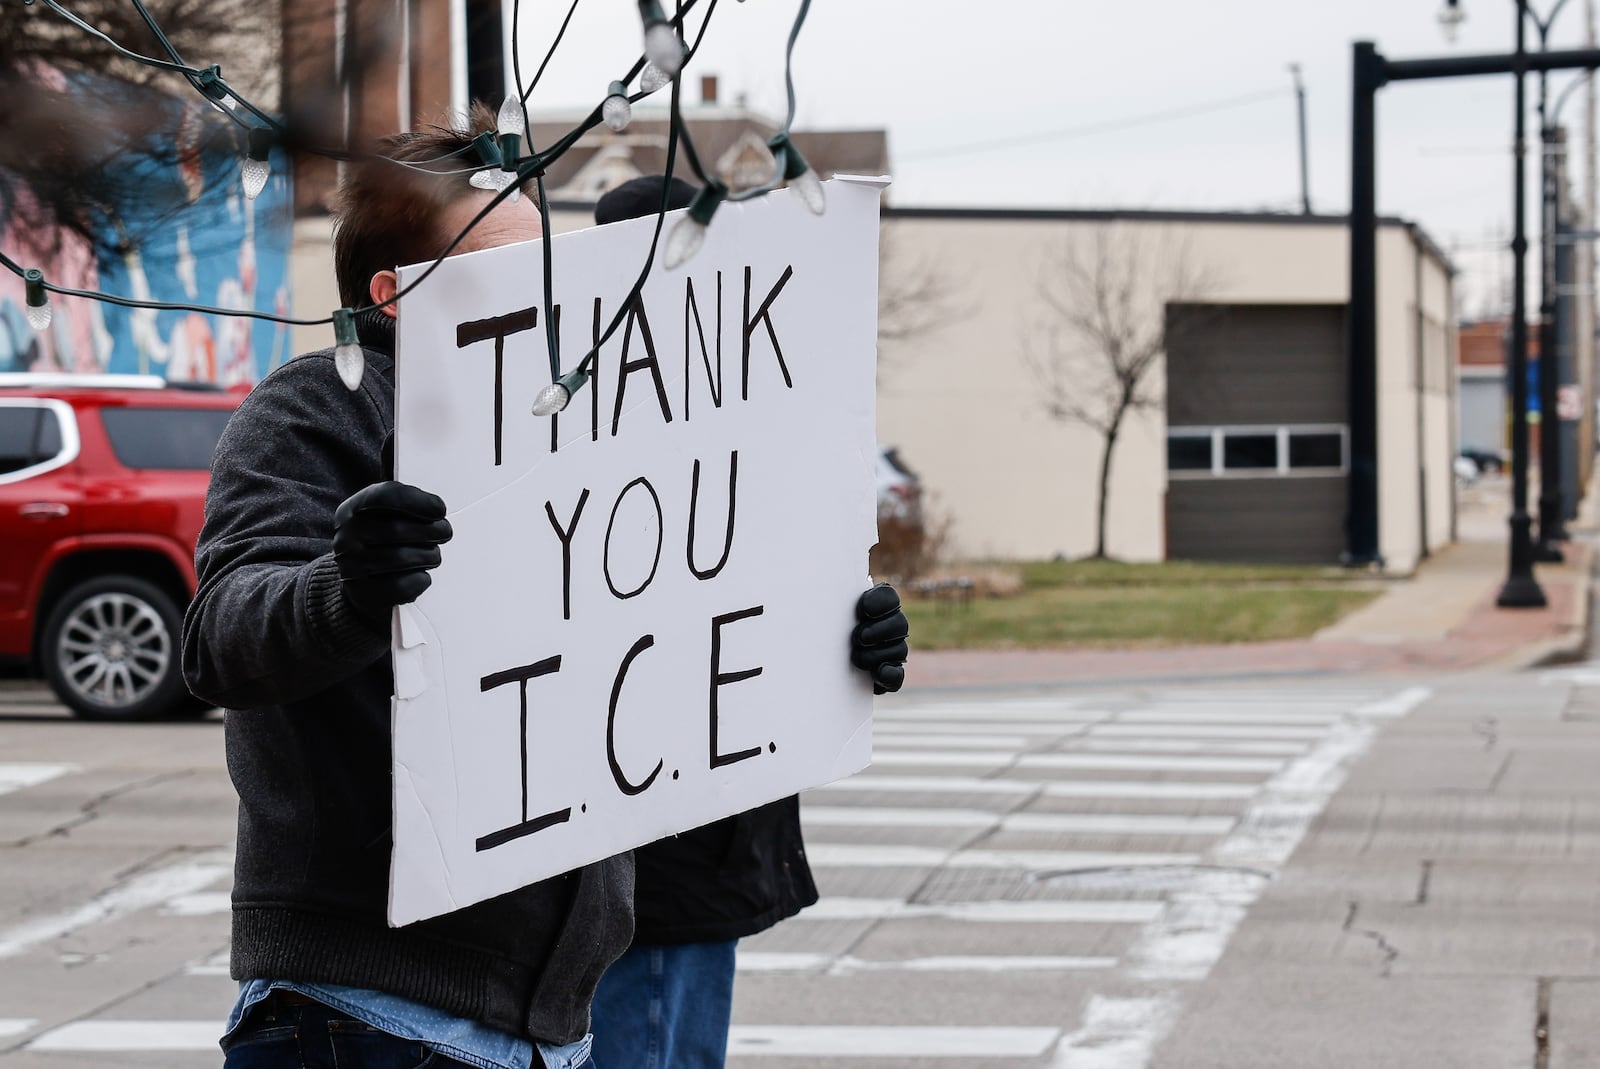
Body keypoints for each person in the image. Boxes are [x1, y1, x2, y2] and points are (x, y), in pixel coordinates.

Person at [183, 123, 908, 1068]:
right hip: (363, 1014)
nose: (549, 295)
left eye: (551, 264)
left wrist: (821, 653)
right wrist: (348, 588)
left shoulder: (590, 440)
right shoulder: (318, 408)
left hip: (548, 1030)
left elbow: (657, 649)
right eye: (503, 266)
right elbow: (222, 638)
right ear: (396, 294)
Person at [584, 175, 910, 1069]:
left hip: (701, 835)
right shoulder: (567, 421)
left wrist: (862, 639)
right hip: (622, 848)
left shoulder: (768, 417)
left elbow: (797, 592)